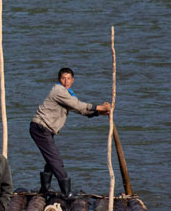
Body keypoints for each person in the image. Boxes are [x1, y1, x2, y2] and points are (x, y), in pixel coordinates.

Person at [30, 68, 111, 196]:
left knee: (51, 158)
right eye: (63, 78)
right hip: (40, 128)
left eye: (68, 79)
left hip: (44, 129)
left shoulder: (67, 93)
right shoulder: (58, 91)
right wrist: (101, 107)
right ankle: (66, 193)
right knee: (56, 160)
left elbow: (80, 110)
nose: (66, 81)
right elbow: (78, 105)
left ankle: (45, 188)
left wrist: (100, 113)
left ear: (72, 80)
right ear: (59, 79)